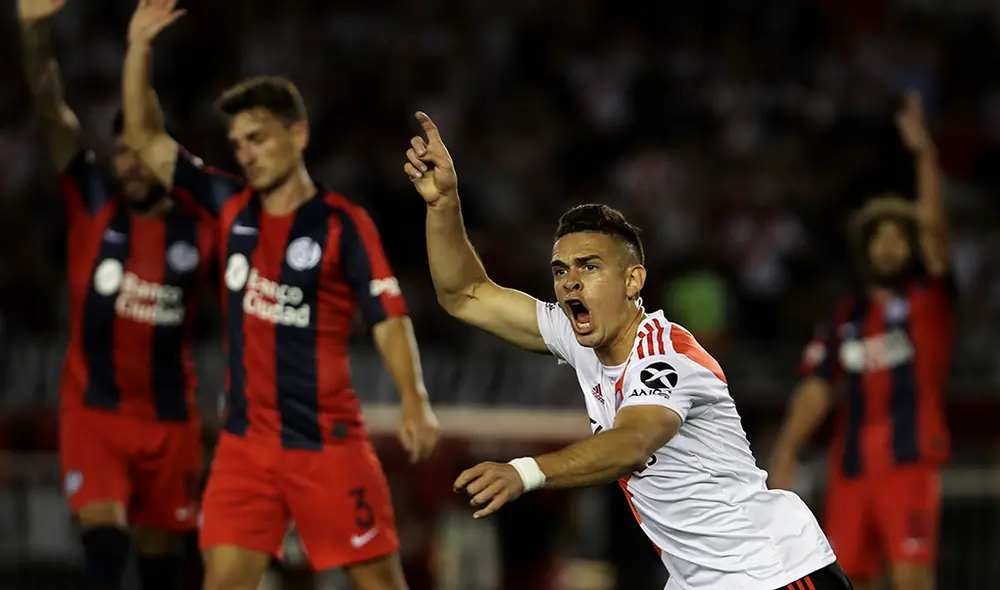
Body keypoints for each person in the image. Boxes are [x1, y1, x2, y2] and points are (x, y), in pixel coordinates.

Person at [402, 112, 852, 590]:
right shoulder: (579, 338)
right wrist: (443, 204)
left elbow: (630, 444)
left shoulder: (665, 356)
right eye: (560, 270)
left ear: (632, 280)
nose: (570, 279)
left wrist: (526, 471)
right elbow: (465, 294)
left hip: (772, 572)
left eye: (590, 266)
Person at [122, 2, 441, 589]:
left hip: (327, 445)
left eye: (258, 137)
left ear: (297, 135)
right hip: (245, 448)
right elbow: (144, 138)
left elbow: (387, 314)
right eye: (238, 141)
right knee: (222, 582)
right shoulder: (229, 206)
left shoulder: (343, 224)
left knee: (380, 585)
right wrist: (139, 47)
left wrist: (413, 398)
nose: (245, 151)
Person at [19, 0, 216, 588]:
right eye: (122, 150)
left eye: (141, 150)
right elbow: (52, 110)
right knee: (103, 551)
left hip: (169, 423)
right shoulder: (91, 202)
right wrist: (33, 34)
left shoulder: (202, 226)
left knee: (163, 570)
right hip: (94, 415)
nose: (129, 164)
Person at [769, 92, 950, 590]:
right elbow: (816, 387)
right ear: (866, 247)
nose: (890, 245)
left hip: (909, 463)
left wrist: (925, 156)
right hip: (849, 470)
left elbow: (935, 236)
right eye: (880, 237)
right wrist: (786, 451)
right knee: (848, 580)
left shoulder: (926, 302)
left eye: (900, 236)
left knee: (912, 580)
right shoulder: (845, 315)